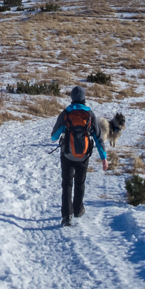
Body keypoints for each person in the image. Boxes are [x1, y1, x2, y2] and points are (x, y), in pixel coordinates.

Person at [50, 85, 108, 226]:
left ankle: (66, 216)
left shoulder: (65, 114)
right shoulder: (90, 115)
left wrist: (65, 129)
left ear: (71, 98)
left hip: (67, 155)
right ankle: (77, 210)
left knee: (67, 184)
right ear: (84, 98)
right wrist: (103, 157)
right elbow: (99, 138)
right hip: (84, 156)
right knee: (80, 183)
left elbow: (54, 137)